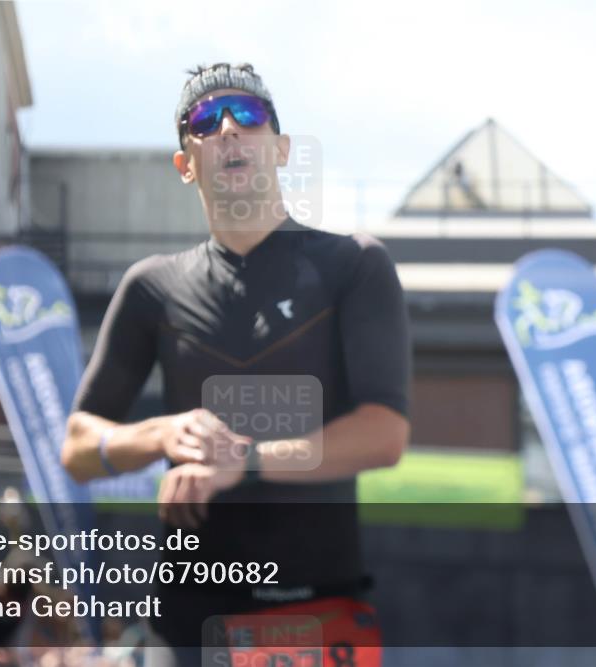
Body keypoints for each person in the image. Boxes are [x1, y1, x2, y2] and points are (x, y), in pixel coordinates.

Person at [61, 62, 411, 666]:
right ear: (185, 164)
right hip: (186, 621)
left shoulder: (353, 266)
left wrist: (243, 464)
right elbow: (77, 450)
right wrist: (161, 433)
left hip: (312, 613)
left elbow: (384, 435)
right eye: (204, 120)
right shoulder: (153, 287)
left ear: (280, 149)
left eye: (247, 116)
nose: (227, 129)